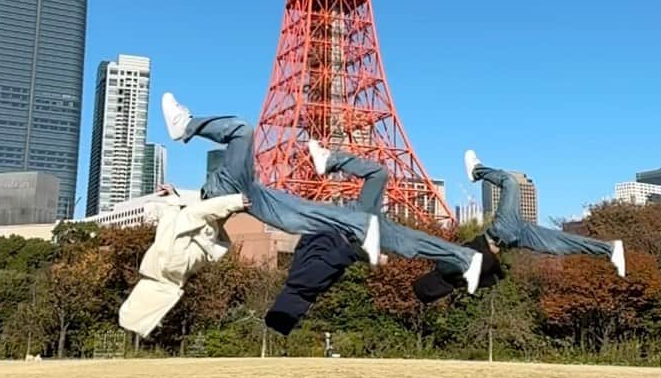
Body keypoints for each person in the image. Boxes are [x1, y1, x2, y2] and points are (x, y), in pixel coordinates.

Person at [161, 94, 483, 291]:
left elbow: (195, 206)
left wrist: (178, 194)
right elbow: (199, 212)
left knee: (401, 221)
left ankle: (465, 259)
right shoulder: (223, 194)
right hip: (259, 200)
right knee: (243, 131)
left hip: (340, 219)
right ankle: (185, 125)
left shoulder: (216, 192)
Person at [413, 149, 625, 306]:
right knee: (510, 182)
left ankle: (609, 249)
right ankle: (477, 171)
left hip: (511, 238)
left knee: (563, 244)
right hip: (502, 232)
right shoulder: (446, 269)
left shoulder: (455, 279)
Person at [265, 143, 389, 337]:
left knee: (378, 174)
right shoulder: (295, 279)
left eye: (297, 316)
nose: (303, 313)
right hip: (330, 224)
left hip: (344, 228)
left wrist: (372, 258)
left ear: (294, 309)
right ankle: (330, 160)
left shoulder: (307, 284)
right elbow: (307, 246)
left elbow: (339, 257)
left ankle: (331, 159)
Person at [119, 184, 249, 338]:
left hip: (204, 232)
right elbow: (189, 215)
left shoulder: (163, 266)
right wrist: (235, 201)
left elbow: (169, 227)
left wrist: (173, 198)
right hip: (204, 227)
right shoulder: (168, 262)